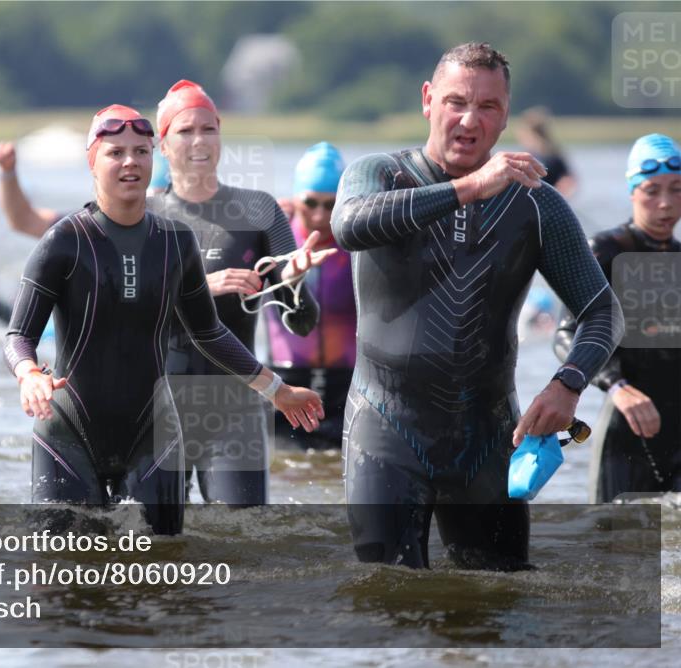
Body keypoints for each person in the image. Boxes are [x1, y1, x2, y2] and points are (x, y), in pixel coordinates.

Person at [331, 43, 623, 569]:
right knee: (387, 599)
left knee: (499, 606)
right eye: (456, 101)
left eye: (488, 107)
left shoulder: (535, 204)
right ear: (427, 100)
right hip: (385, 429)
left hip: (488, 437)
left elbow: (603, 311)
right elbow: (349, 225)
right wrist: (468, 189)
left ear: (506, 114)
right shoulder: (379, 175)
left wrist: (569, 383)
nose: (470, 120)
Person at [4, 105, 324, 534]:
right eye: (115, 152)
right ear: (92, 161)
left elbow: (209, 332)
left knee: (165, 576)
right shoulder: (66, 241)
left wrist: (278, 391)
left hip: (153, 436)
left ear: (154, 157)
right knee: (66, 574)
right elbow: (18, 334)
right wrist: (28, 374)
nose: (130, 162)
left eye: (140, 151)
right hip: (69, 434)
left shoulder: (175, 241)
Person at [150, 79, 335, 505]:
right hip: (157, 405)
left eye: (208, 129)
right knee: (151, 544)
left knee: (244, 538)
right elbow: (120, 308)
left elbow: (304, 324)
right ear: (162, 144)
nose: (199, 140)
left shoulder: (258, 210)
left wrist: (292, 283)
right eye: (185, 130)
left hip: (235, 406)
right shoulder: (145, 216)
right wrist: (202, 287)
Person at [555, 133, 681, 502]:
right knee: (616, 552)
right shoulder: (607, 251)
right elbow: (565, 335)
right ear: (632, 192)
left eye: (676, 190)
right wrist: (617, 386)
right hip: (627, 432)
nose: (665, 204)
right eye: (651, 190)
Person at [270, 142, 356, 450]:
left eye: (331, 204)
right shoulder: (272, 235)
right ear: (295, 196)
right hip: (286, 380)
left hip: (344, 385)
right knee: (286, 474)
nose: (320, 213)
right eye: (310, 201)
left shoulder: (357, 243)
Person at [516, 106, 577, 198]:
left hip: (542, 202)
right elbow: (569, 181)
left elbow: (568, 181)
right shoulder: (556, 154)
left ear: (530, 133)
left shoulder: (547, 157)